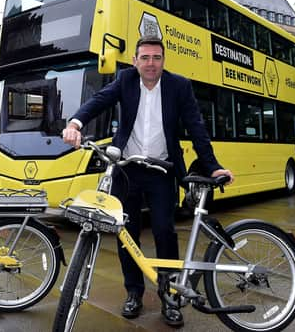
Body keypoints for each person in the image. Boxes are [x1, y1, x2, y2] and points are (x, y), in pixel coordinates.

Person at [62, 35, 234, 327]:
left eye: (156, 58)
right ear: (135, 61)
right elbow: (98, 101)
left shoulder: (179, 86)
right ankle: (134, 293)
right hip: (127, 170)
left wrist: (213, 166)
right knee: (125, 233)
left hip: (162, 169)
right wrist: (75, 123)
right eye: (145, 58)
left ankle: (169, 296)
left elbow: (196, 127)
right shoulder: (126, 80)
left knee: (164, 231)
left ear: (163, 60)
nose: (151, 63)